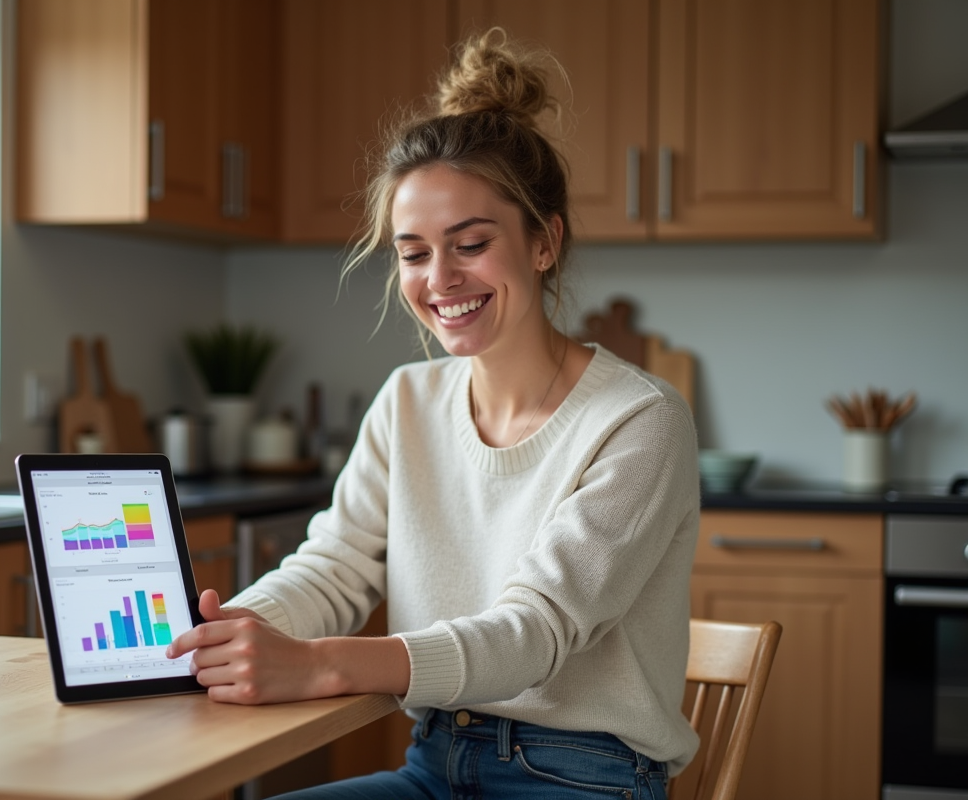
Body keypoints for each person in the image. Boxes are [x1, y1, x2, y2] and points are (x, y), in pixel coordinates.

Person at [167, 28, 700, 799]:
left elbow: (536, 633)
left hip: (583, 779)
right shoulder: (407, 401)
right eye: (413, 252)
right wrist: (225, 638)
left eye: (471, 243)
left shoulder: (638, 420)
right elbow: (336, 568)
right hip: (435, 763)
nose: (440, 278)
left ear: (544, 241)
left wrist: (318, 664)